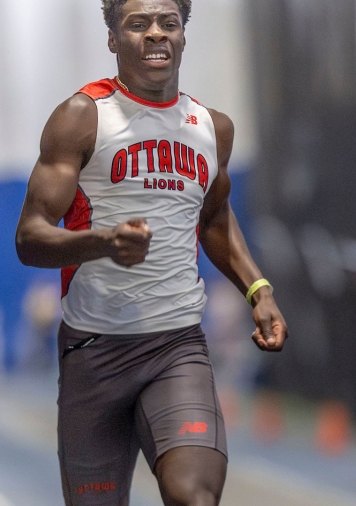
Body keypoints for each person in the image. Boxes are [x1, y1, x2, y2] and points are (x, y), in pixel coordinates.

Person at [14, 0, 288, 504]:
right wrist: (103, 243)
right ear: (113, 39)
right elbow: (29, 239)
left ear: (183, 36)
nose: (156, 33)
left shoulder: (212, 128)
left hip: (175, 347)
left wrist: (258, 289)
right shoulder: (82, 117)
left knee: (194, 496)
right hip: (93, 351)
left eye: (169, 23)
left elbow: (215, 219)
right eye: (137, 24)